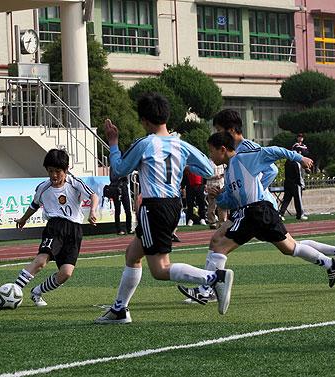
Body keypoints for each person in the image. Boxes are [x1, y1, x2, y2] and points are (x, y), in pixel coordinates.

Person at [95, 92, 233, 324]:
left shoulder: (145, 143)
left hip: (154, 207)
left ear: (145, 120)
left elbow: (118, 170)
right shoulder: (182, 145)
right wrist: (181, 165)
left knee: (160, 269)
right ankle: (119, 310)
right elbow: (209, 171)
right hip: (172, 204)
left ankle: (214, 277)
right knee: (132, 254)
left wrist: (114, 144)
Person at [178, 132, 335, 306]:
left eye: (211, 151)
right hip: (256, 213)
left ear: (223, 149)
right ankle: (330, 262)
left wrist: (299, 158)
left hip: (255, 212)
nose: (210, 156)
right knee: (290, 248)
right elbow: (232, 201)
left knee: (218, 245)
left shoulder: (244, 158)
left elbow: (274, 151)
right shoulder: (230, 171)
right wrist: (218, 197)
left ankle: (206, 290)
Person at [0, 149, 98, 309]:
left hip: (75, 231)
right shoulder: (43, 188)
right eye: (50, 171)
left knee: (66, 273)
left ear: (66, 170)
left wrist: (92, 210)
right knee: (41, 261)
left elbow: (93, 196)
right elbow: (34, 205)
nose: (54, 175)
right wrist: (23, 219)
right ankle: (13, 290)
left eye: (58, 171)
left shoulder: (74, 183)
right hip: (55, 227)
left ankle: (37, 292)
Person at [279, 149, 308, 221]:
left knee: (286, 199)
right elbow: (298, 175)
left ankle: (281, 213)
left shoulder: (287, 162)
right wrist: (301, 184)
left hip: (287, 183)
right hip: (295, 184)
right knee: (298, 200)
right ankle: (300, 214)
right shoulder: (296, 163)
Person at [109, 169, 133, 235]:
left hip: (124, 188)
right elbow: (112, 178)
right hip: (116, 189)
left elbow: (127, 179)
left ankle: (129, 229)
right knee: (117, 210)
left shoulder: (125, 165)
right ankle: (119, 230)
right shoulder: (113, 166)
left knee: (128, 210)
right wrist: (119, 176)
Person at [206, 160, 228, 229]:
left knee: (222, 204)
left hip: (221, 185)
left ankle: (222, 222)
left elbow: (227, 172)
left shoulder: (222, 162)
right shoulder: (208, 162)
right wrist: (216, 176)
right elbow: (206, 175)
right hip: (212, 185)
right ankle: (212, 222)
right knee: (212, 205)